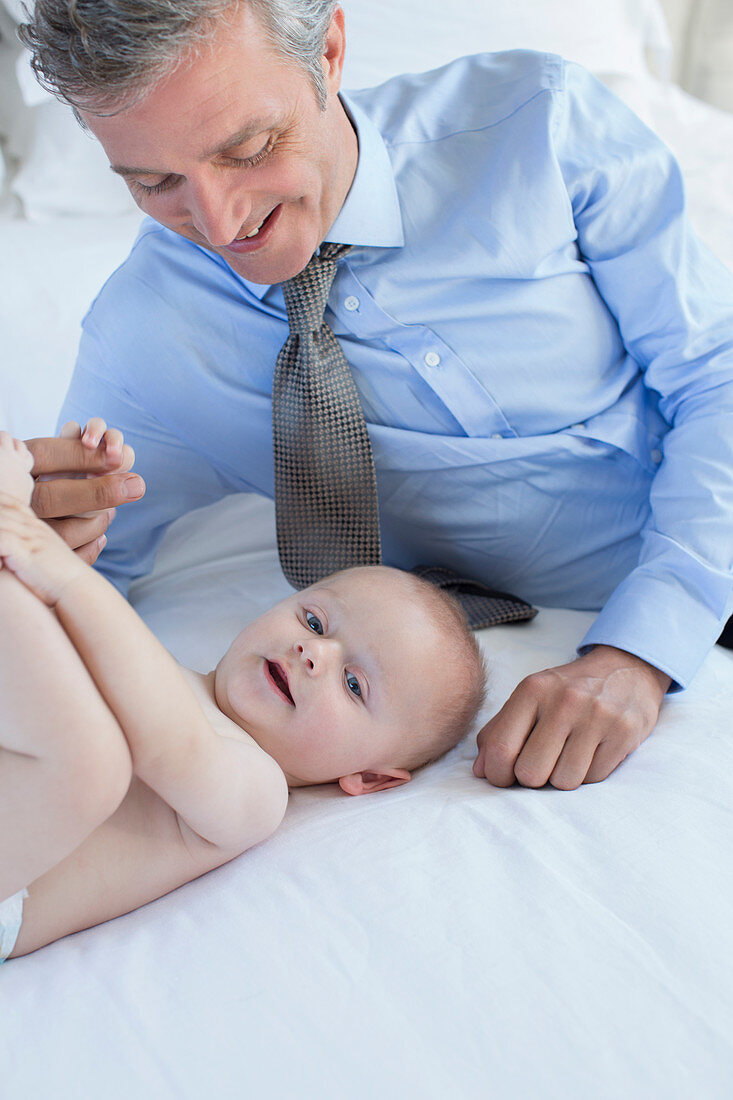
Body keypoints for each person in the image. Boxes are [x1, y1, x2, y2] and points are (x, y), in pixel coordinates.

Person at [17, 1, 733, 791]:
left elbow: (716, 374)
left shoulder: (541, 124)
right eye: (154, 183)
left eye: (248, 149)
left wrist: (637, 653)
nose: (219, 223)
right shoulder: (145, 344)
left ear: (327, 50)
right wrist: (37, 533)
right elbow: (65, 575)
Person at [0, 428, 487, 959]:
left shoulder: (258, 792)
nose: (313, 652)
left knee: (93, 763)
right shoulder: (160, 664)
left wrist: (54, 568)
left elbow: (166, 741)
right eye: (315, 620)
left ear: (368, 778)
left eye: (354, 684)